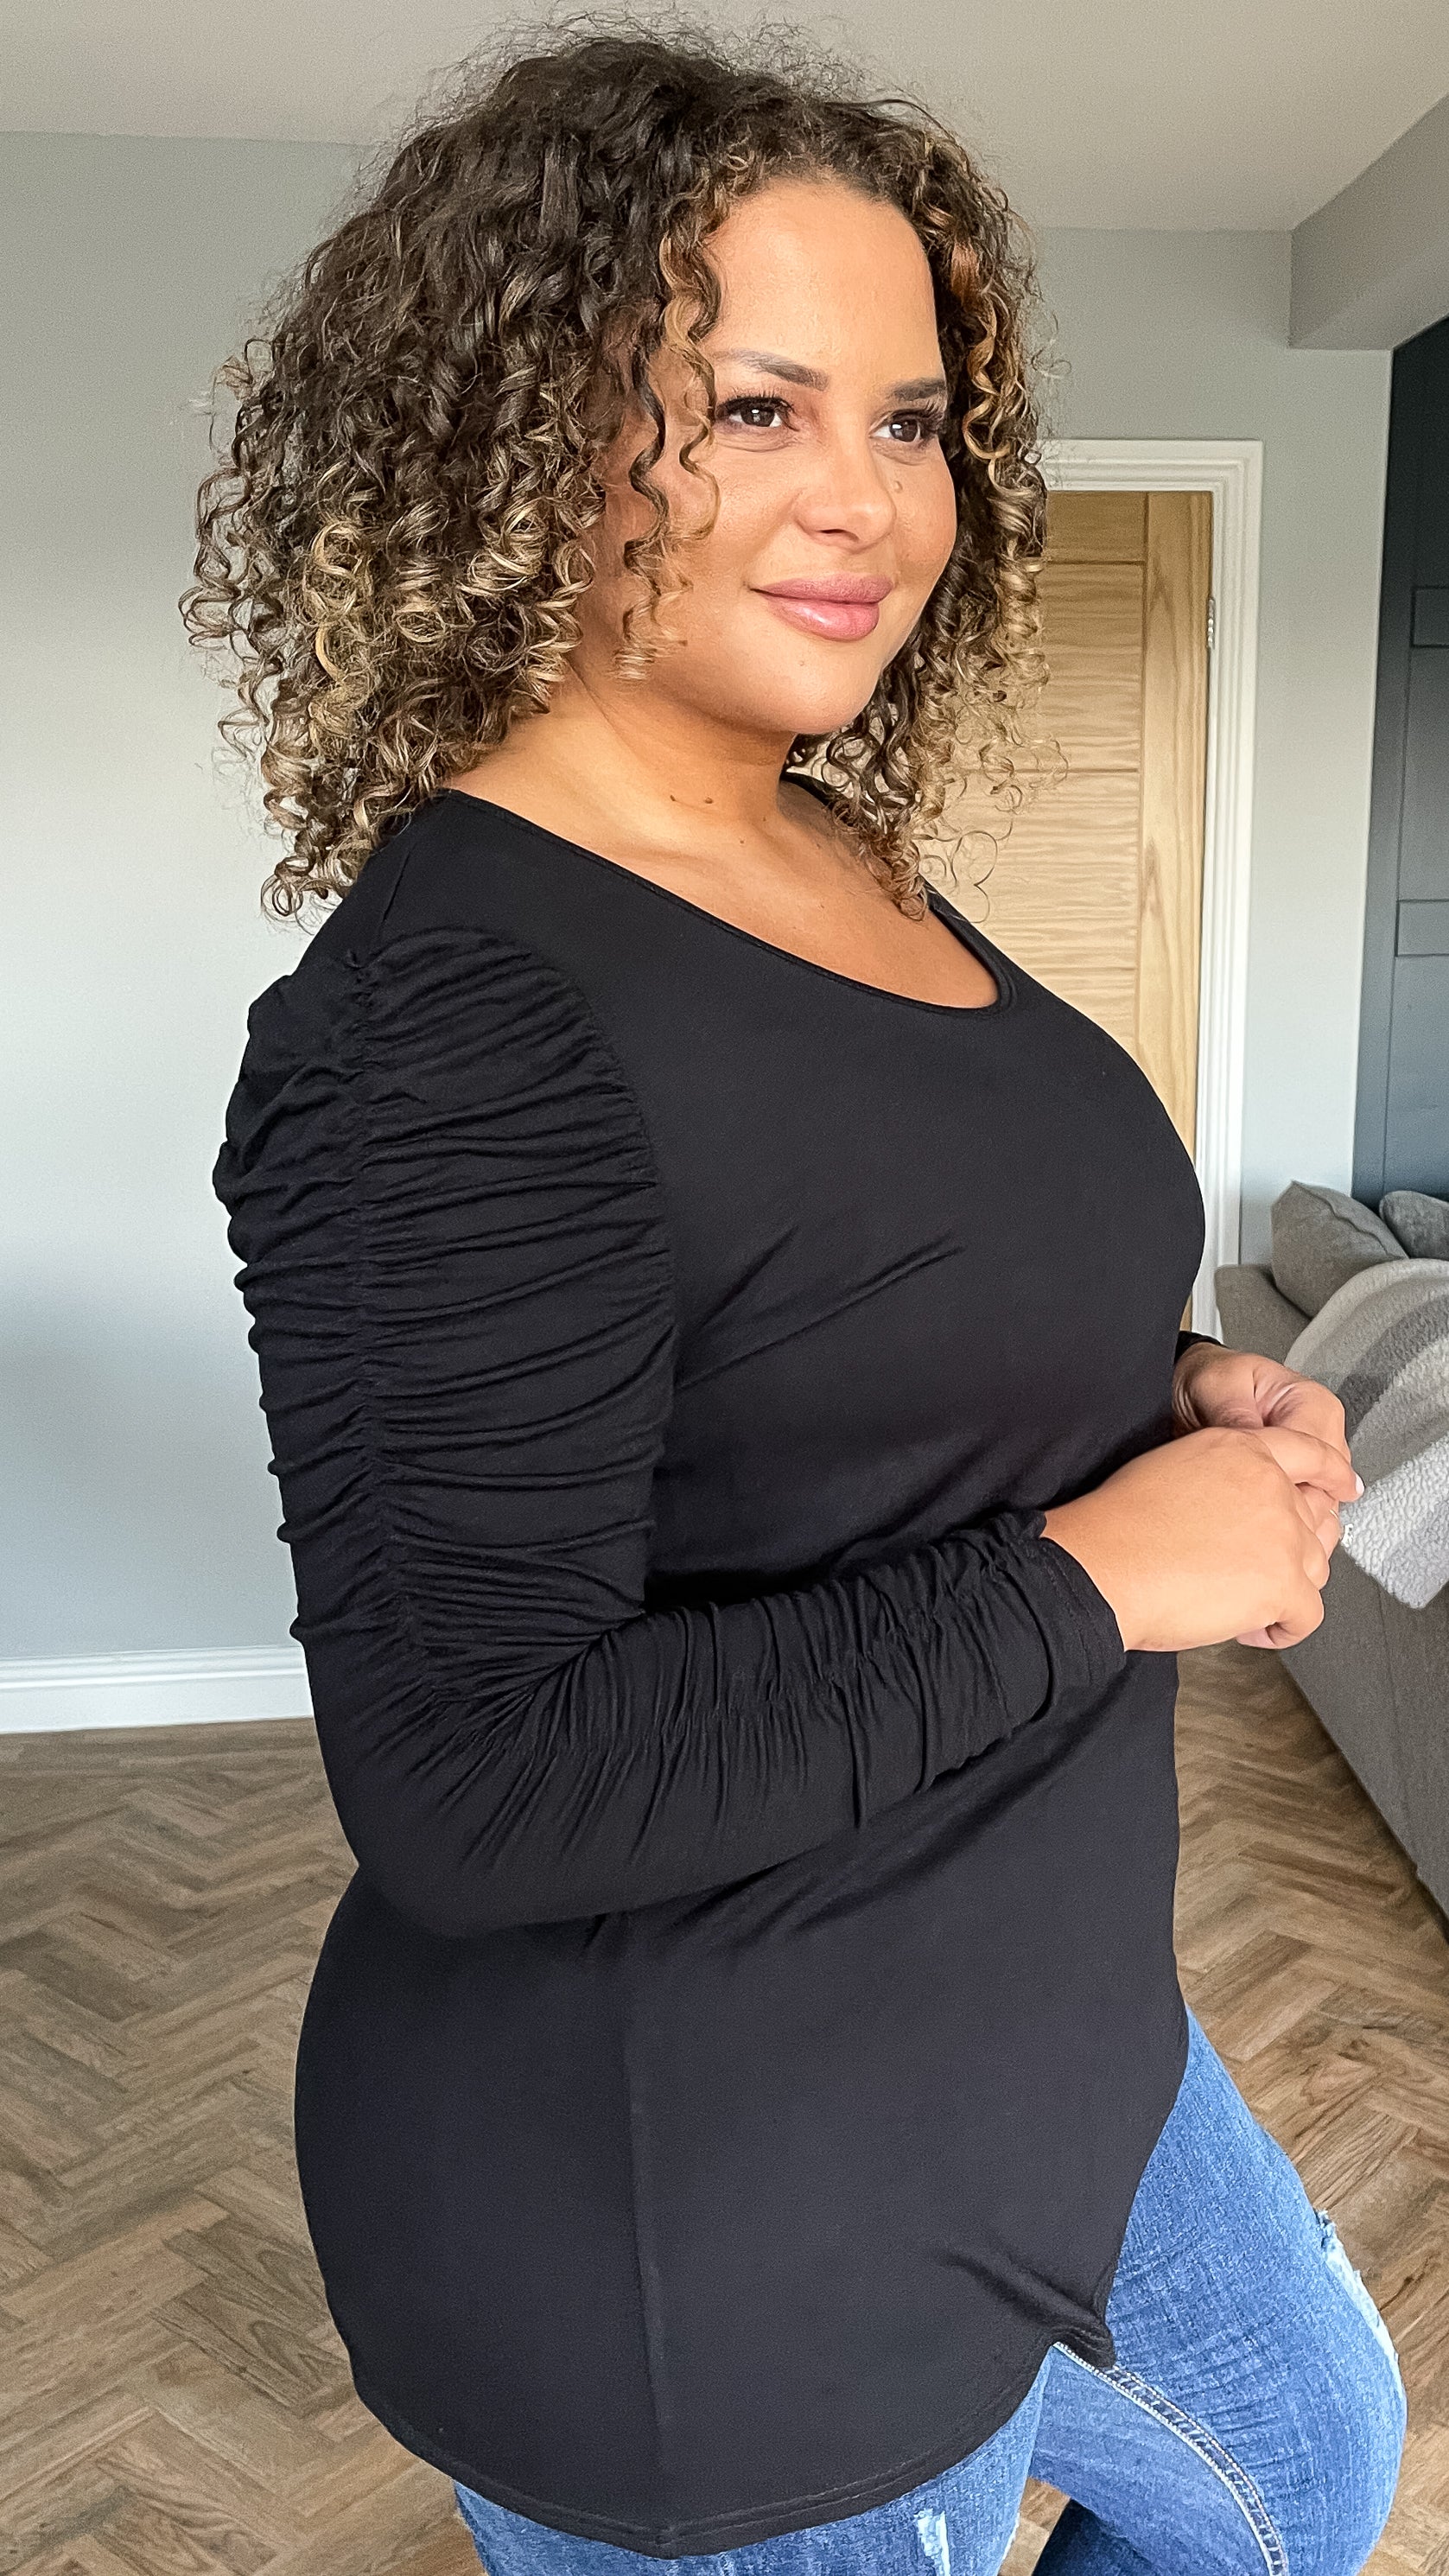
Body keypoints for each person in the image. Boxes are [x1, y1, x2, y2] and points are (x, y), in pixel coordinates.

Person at [190, 29, 1405, 2576]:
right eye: (754, 406)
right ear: (524, 438)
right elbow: (477, 1778)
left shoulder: (818, 842)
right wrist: (1103, 1572)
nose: (873, 499)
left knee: (1302, 2467)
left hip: (1034, 2014)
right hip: (712, 2213)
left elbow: (833, 1321)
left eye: (915, 418)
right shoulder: (453, 1023)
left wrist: (1157, 1399)